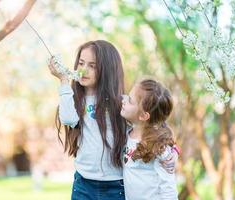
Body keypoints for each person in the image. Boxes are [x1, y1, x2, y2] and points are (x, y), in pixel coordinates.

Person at [48, 40, 178, 200]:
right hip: (84, 184)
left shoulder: (122, 104)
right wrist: (63, 81)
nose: (83, 69)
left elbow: (154, 123)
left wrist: (173, 152)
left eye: (92, 66)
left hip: (115, 185)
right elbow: (68, 119)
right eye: (81, 63)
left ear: (107, 70)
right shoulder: (76, 100)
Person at [121, 78, 179, 200]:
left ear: (143, 115)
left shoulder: (158, 148)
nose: (124, 100)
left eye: (130, 100)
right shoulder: (126, 133)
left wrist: (174, 151)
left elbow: (168, 188)